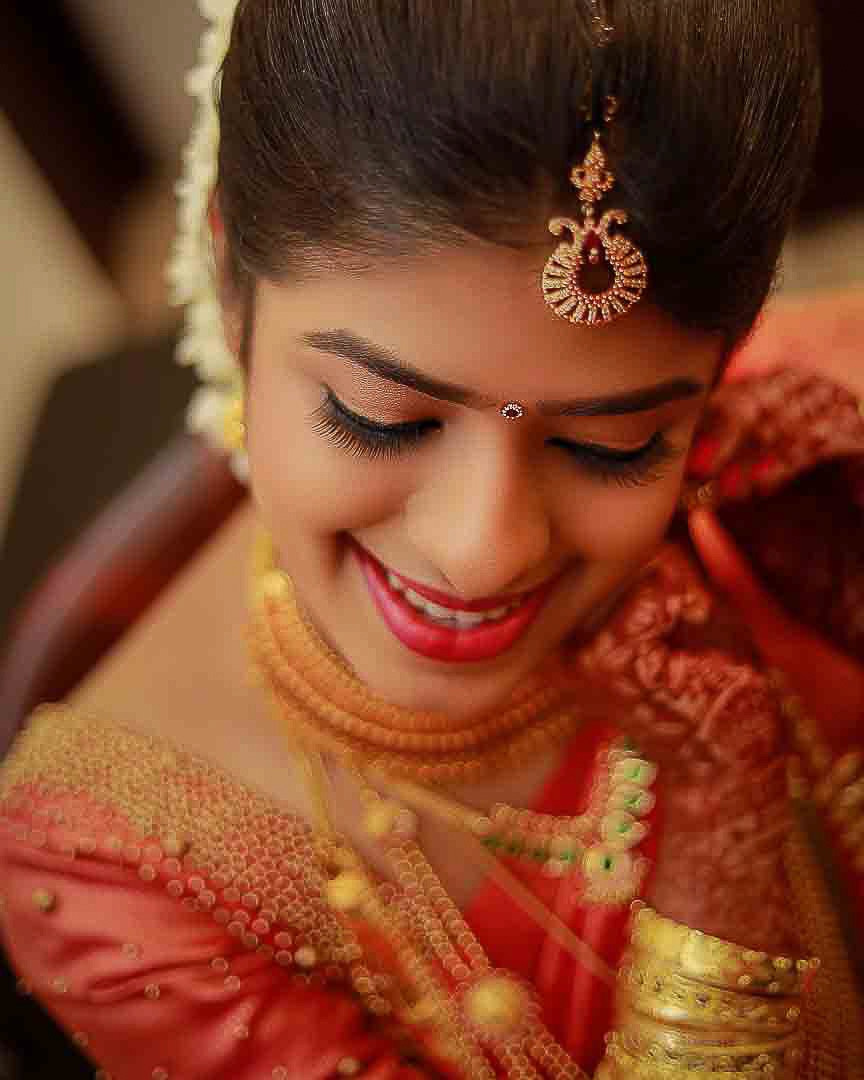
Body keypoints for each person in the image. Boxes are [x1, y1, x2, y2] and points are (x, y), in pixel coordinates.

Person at [0, 1, 861, 1077]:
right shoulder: (116, 864)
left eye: (615, 444)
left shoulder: (805, 454)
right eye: (380, 418)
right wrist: (717, 859)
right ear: (229, 277)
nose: (483, 549)